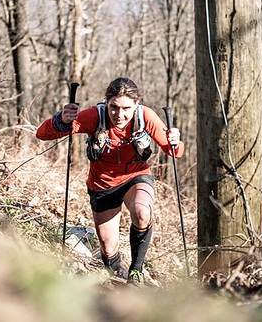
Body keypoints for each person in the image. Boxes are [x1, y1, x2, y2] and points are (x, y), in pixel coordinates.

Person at [36, 77, 184, 286]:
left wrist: (174, 140)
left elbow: (175, 152)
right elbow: (42, 134)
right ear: (107, 103)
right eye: (114, 107)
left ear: (136, 105)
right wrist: (62, 119)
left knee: (142, 212)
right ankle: (116, 282)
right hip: (102, 184)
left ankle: (136, 271)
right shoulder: (94, 116)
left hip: (136, 176)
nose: (120, 114)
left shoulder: (145, 116)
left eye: (126, 108)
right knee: (108, 248)